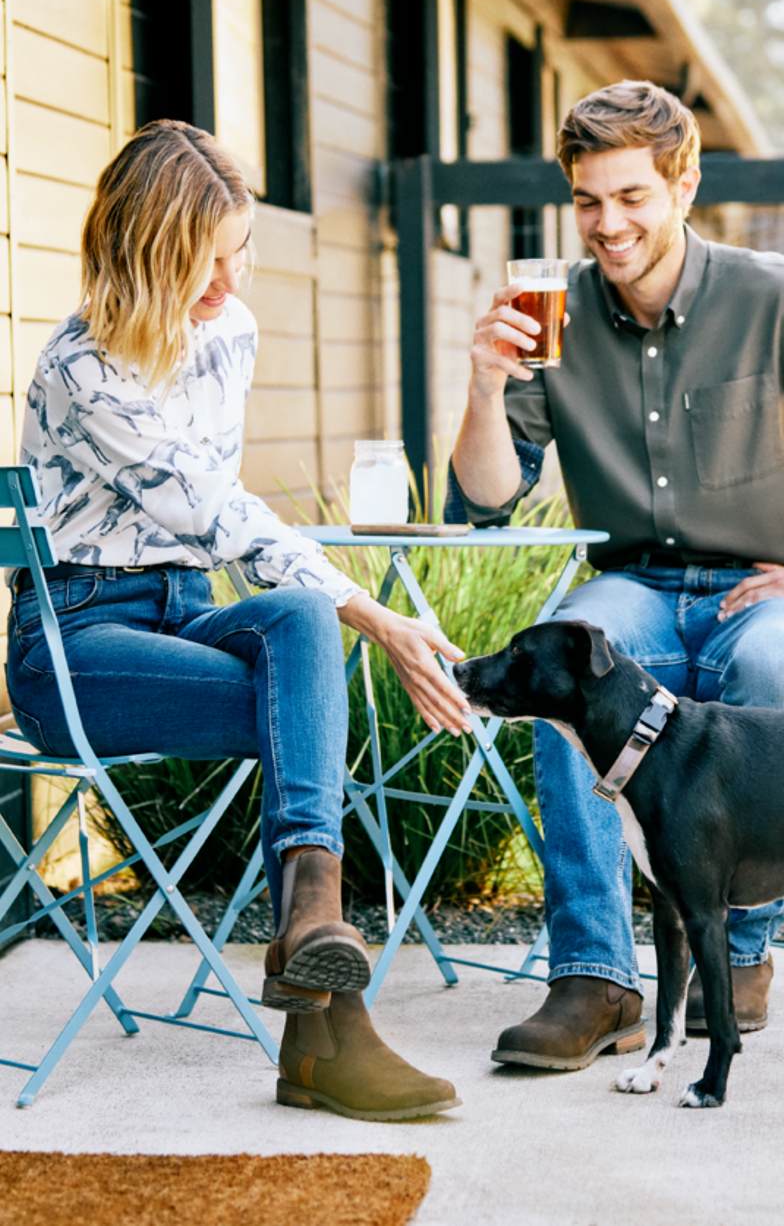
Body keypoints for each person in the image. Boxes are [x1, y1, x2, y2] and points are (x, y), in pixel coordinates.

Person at [449, 81, 784, 1071]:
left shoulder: (777, 296)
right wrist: (484, 385)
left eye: (632, 197)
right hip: (633, 595)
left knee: (778, 658)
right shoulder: (552, 312)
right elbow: (485, 495)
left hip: (761, 591)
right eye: (589, 201)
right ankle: (596, 978)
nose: (609, 226)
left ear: (683, 183)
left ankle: (734, 957)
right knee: (565, 676)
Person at [6, 119, 469, 1122]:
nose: (227, 281)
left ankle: (309, 923)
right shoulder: (80, 373)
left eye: (238, 250)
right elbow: (212, 511)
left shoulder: (231, 333)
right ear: (140, 253)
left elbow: (225, 521)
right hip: (78, 646)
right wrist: (380, 621)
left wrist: (341, 606)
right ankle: (323, 1031)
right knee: (302, 685)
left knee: (300, 616)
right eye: (200, 260)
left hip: (183, 614)